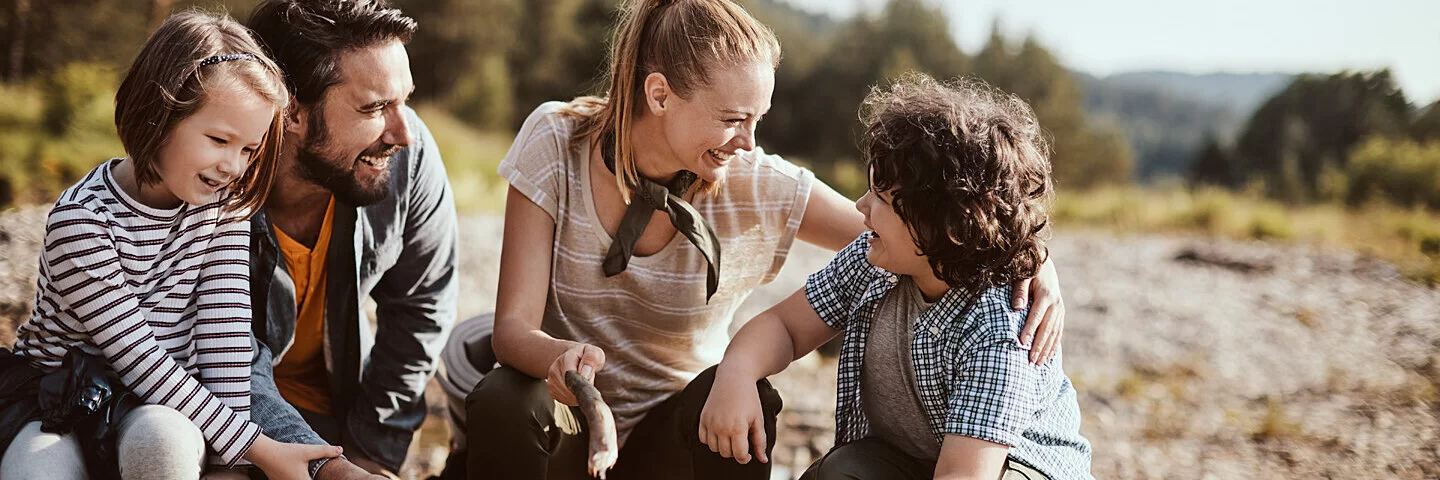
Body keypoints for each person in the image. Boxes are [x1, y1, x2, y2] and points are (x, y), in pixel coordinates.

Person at [450, 1, 1067, 478]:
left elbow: (926, 233)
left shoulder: (757, 181)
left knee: (752, 402)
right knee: (508, 396)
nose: (749, 142)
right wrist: (558, 358)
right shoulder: (555, 141)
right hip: (568, 426)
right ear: (658, 94)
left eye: (758, 120)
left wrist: (1032, 260)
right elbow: (513, 331)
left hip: (678, 443)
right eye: (732, 119)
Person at [699, 73, 1093, 480]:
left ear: (944, 226)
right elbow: (786, 325)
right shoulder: (875, 262)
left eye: (882, 198)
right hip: (916, 462)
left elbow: (964, 474)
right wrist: (738, 370)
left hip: (1004, 469)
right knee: (840, 471)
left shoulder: (1000, 331)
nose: (861, 206)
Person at [0, 10, 341, 480]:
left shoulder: (224, 206)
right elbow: (139, 358)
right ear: (160, 114)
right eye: (219, 139)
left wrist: (231, 464)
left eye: (249, 149)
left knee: (163, 441)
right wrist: (260, 450)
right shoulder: (83, 220)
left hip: (163, 407)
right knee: (37, 472)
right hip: (58, 402)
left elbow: (224, 340)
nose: (233, 166)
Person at [241, 0, 458, 478]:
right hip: (216, 418)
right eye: (376, 107)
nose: (404, 133)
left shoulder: (407, 157)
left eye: (405, 99)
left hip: (339, 419)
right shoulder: (215, 173)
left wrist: (370, 456)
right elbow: (218, 353)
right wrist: (330, 471)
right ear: (291, 111)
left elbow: (421, 309)